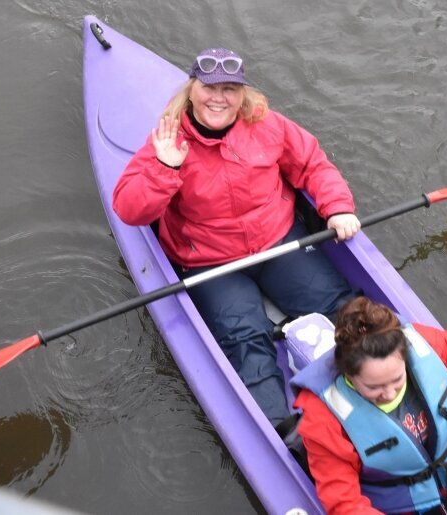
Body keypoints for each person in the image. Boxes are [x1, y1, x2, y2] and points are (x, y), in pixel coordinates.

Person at [112, 48, 361, 427]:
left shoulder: (268, 124)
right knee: (245, 338)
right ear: (191, 89)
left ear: (242, 94)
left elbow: (312, 163)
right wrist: (165, 167)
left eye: (230, 89)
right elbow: (130, 209)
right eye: (209, 87)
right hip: (209, 263)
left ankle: (394, 383)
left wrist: (338, 206)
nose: (219, 97)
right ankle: (283, 432)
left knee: (345, 310)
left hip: (278, 242)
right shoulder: (168, 138)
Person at [291, 296, 447, 514]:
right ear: (348, 374)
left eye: (396, 379)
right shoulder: (323, 420)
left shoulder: (418, 344)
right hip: (398, 506)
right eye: (374, 387)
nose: (390, 393)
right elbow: (344, 503)